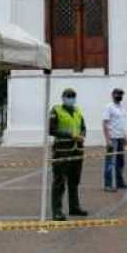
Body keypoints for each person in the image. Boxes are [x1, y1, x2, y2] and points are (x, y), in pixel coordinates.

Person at [48, 88, 88, 221]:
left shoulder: (77, 111)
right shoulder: (56, 111)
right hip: (62, 151)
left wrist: (82, 135)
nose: (71, 98)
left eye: (73, 96)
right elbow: (51, 129)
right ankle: (57, 211)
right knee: (59, 181)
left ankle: (74, 207)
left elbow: (83, 127)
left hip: (77, 150)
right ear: (63, 97)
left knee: (74, 181)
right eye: (68, 96)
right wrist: (70, 135)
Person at [102, 88, 127, 192]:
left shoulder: (121, 107)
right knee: (110, 163)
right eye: (118, 94)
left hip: (120, 138)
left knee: (120, 162)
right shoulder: (108, 107)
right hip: (112, 138)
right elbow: (105, 123)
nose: (119, 96)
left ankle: (120, 183)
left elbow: (121, 124)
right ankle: (107, 185)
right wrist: (107, 139)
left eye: (121, 94)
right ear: (113, 94)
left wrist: (125, 137)